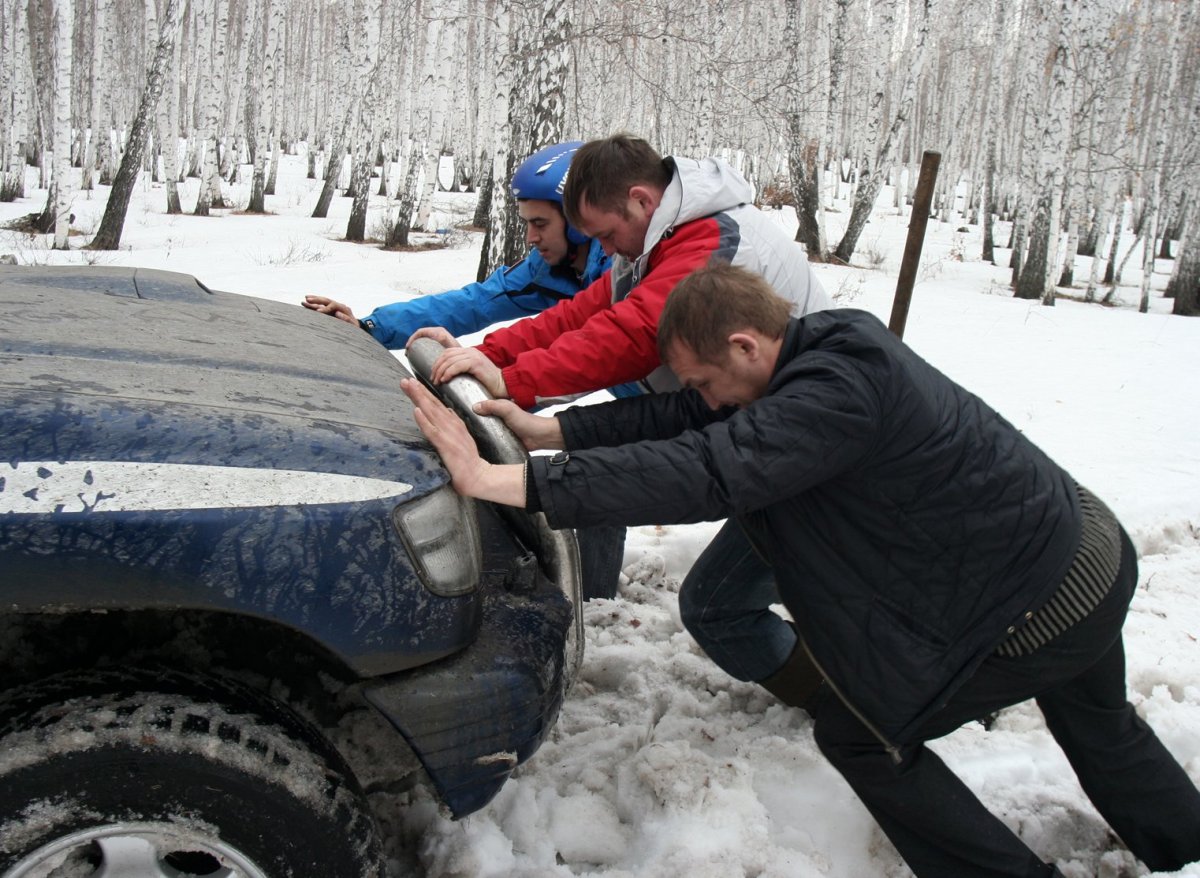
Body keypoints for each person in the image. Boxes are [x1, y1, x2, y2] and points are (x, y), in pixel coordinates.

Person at [399, 262, 1200, 878]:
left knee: (862, 737)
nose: (705, 399)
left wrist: (502, 481)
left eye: (708, 379)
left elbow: (708, 468)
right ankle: (1185, 844)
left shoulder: (832, 396)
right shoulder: (825, 344)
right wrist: (548, 434)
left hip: (1039, 600)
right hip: (1083, 555)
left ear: (744, 344)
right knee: (1102, 722)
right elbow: (685, 416)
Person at [413, 133, 830, 617]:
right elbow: (579, 316)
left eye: (606, 235)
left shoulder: (708, 240)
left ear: (640, 200)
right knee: (735, 593)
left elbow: (631, 336)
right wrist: (489, 357)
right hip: (728, 414)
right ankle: (593, 607)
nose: (603, 248)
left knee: (769, 592)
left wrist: (512, 382)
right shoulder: (656, 237)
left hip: (788, 436)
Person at [302, 141, 611, 349]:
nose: (531, 238)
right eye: (527, 223)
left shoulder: (626, 275)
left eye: (540, 224)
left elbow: (583, 362)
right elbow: (474, 302)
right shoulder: (550, 268)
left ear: (579, 222)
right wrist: (371, 328)